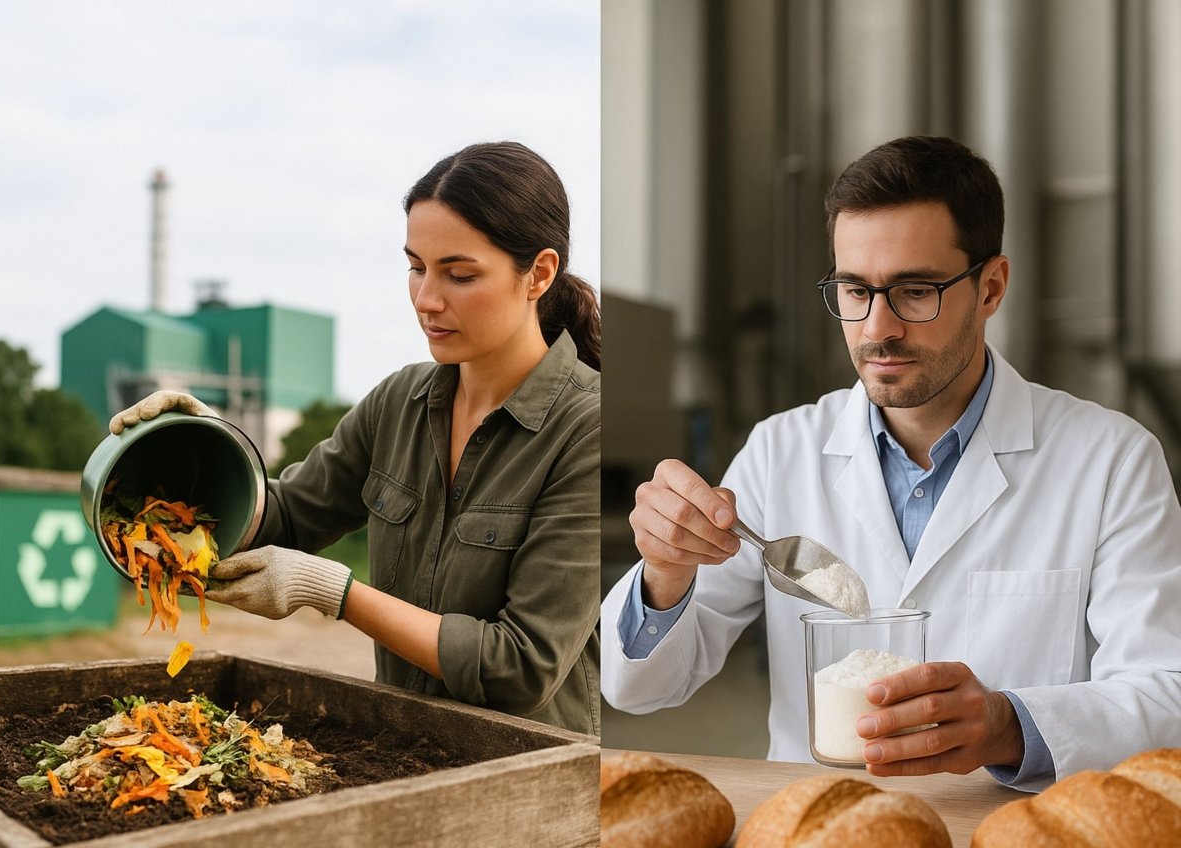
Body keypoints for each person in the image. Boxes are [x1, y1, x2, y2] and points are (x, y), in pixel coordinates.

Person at [601, 135, 1181, 790]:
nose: (877, 328)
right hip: (817, 826)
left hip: (1006, 828)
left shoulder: (1112, 460)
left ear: (990, 287)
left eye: (913, 290)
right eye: (855, 290)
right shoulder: (779, 452)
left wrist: (1006, 721)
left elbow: (1167, 692)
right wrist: (665, 574)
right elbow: (639, 687)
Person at [112, 141, 601, 735]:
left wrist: (335, 593)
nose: (427, 299)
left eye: (460, 274)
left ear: (539, 274)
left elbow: (522, 666)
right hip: (398, 753)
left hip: (534, 783)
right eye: (417, 267)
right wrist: (200, 446)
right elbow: (285, 516)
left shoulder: (589, 428)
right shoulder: (398, 403)